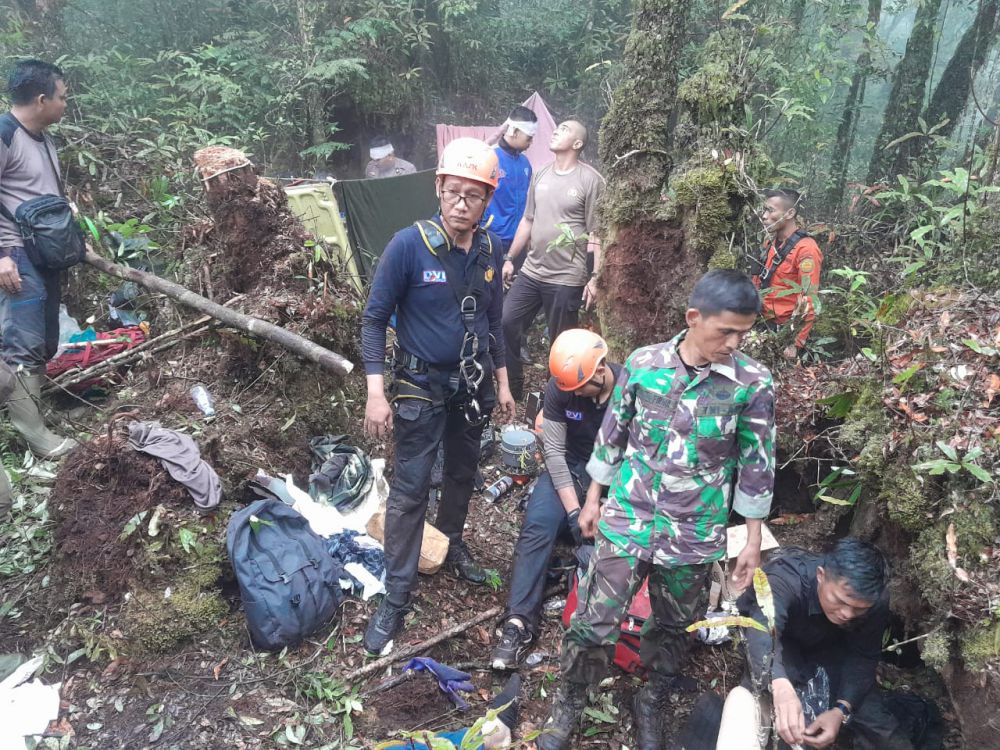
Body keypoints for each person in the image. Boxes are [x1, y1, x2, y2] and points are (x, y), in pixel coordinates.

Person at [536, 270, 776, 750]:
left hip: (695, 530)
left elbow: (756, 462)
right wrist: (591, 499)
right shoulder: (644, 366)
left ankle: (653, 698)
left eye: (743, 333)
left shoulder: (752, 383)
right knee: (593, 620)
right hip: (628, 518)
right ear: (693, 318)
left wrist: (751, 538)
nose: (733, 342)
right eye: (724, 330)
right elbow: (612, 436)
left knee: (672, 628)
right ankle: (570, 702)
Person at [360, 137, 515, 655]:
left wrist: (504, 382)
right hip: (419, 387)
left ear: (488, 200)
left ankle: (449, 543)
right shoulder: (408, 245)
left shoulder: (491, 251)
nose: (463, 203)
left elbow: (494, 322)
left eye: (475, 195)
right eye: (454, 192)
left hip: (470, 387)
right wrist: (375, 394)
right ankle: (397, 594)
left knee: (462, 472)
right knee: (410, 489)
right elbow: (375, 318)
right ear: (439, 189)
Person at [490, 328, 620, 670]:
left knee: (611, 543)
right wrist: (576, 510)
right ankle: (517, 623)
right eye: (569, 390)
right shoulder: (560, 389)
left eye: (580, 388)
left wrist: (611, 504)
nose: (573, 395)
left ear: (601, 370)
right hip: (573, 472)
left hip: (614, 480)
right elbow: (555, 453)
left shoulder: (629, 390)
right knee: (537, 525)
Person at [716, 538, 912, 750]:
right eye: (841, 601)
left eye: (858, 609)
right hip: (784, 643)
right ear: (821, 575)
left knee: (883, 732)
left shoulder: (875, 599)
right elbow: (761, 634)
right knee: (789, 720)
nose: (847, 614)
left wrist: (841, 710)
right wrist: (779, 684)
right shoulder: (784, 579)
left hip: (832, 648)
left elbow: (863, 656)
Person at [0, 59, 78, 459]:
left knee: (46, 341)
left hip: (46, 255)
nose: (66, 104)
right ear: (42, 98)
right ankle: (34, 434)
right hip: (16, 256)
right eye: (63, 97)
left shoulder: (44, 139)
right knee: (25, 344)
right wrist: (2, 255)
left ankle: (31, 410)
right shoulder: (5, 134)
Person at [500, 120, 605, 400]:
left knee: (562, 343)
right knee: (506, 321)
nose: (557, 130)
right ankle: (513, 387)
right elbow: (527, 220)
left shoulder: (591, 180)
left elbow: (597, 233)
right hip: (532, 270)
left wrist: (596, 277)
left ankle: (553, 400)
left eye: (565, 129)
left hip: (567, 276)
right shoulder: (541, 173)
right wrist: (510, 258)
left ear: (578, 144)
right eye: (557, 127)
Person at [753, 188, 823, 359]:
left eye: (771, 210)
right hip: (760, 323)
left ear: (790, 213)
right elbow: (759, 279)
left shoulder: (806, 249)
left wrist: (794, 343)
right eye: (764, 210)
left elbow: (808, 298)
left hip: (782, 331)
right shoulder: (770, 241)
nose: (764, 216)